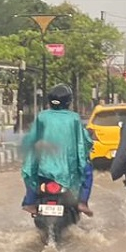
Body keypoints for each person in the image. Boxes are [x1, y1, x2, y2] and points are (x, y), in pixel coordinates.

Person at [20, 84, 94, 216]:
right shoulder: (74, 118)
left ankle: (30, 202)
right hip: (67, 169)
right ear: (68, 101)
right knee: (87, 170)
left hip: (44, 168)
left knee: (31, 169)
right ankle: (82, 202)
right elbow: (84, 142)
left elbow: (31, 139)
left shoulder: (42, 117)